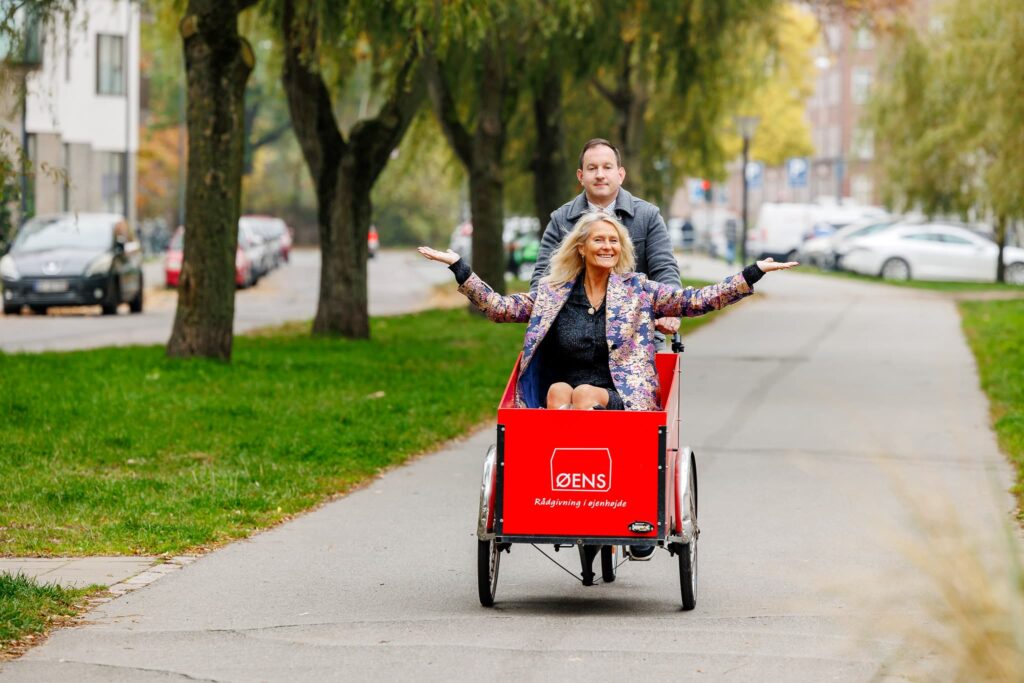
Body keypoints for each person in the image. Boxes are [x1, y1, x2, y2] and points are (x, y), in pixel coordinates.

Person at [419, 212, 798, 411]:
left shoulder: (638, 290)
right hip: (566, 394)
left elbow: (696, 300)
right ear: (581, 248)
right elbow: (500, 308)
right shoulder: (553, 294)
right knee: (558, 390)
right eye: (599, 240)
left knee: (584, 393)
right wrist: (459, 267)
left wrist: (753, 273)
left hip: (623, 398)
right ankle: (564, 484)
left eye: (613, 241)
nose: (607, 246)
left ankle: (594, 487)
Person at [531, 139, 682, 345]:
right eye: (592, 168)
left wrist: (670, 310)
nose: (600, 174)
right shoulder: (561, 220)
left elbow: (665, 269)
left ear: (620, 174)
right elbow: (543, 278)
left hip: (638, 337)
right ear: (581, 176)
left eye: (607, 167)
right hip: (574, 342)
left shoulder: (648, 217)